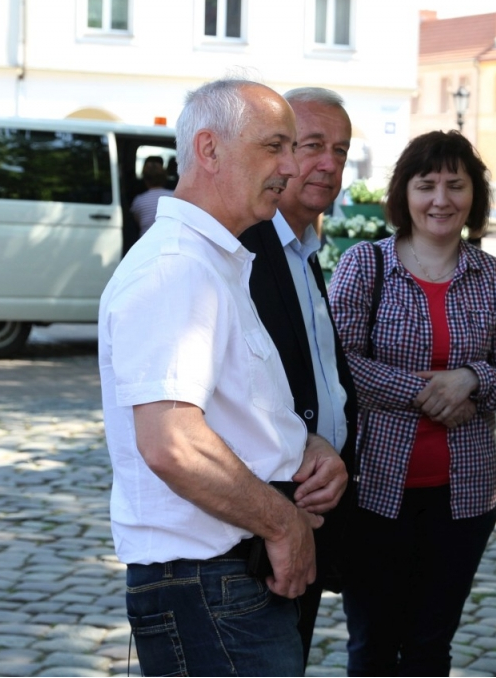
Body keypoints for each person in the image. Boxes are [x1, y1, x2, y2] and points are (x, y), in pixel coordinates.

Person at [99, 78, 330, 676]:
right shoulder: (178, 267)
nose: (290, 166)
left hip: (226, 583)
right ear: (209, 149)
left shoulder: (211, 260)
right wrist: (283, 525)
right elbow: (172, 443)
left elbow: (225, 410)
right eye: (275, 146)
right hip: (210, 585)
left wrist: (303, 447)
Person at [329, 130, 496, 676]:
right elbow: (336, 364)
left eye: (455, 185)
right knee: (372, 642)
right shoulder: (364, 266)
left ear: (474, 195)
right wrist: (425, 393)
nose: (441, 199)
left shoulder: (494, 278)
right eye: (427, 185)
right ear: (405, 193)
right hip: (373, 489)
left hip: (465, 496)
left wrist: (469, 379)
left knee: (429, 644)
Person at [239, 86, 356, 666]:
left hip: (312, 506)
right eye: (313, 146)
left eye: (341, 149)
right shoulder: (246, 247)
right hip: (257, 521)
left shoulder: (307, 246)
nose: (329, 164)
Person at [130, 156, 173, 236]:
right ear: (164, 178)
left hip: (145, 243)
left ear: (145, 179)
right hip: (169, 241)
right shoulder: (175, 196)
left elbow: (138, 222)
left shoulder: (138, 201)